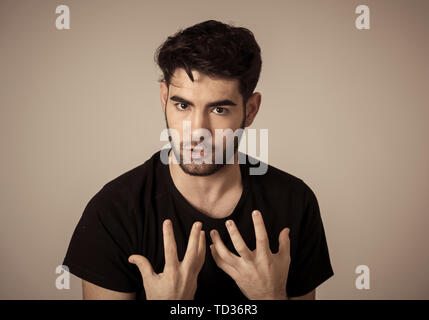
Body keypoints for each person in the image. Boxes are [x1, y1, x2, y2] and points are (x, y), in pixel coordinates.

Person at [62, 19, 334, 300]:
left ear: (250, 110)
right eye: (182, 106)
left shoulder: (294, 203)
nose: (197, 132)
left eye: (218, 109)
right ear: (164, 97)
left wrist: (271, 296)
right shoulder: (114, 211)